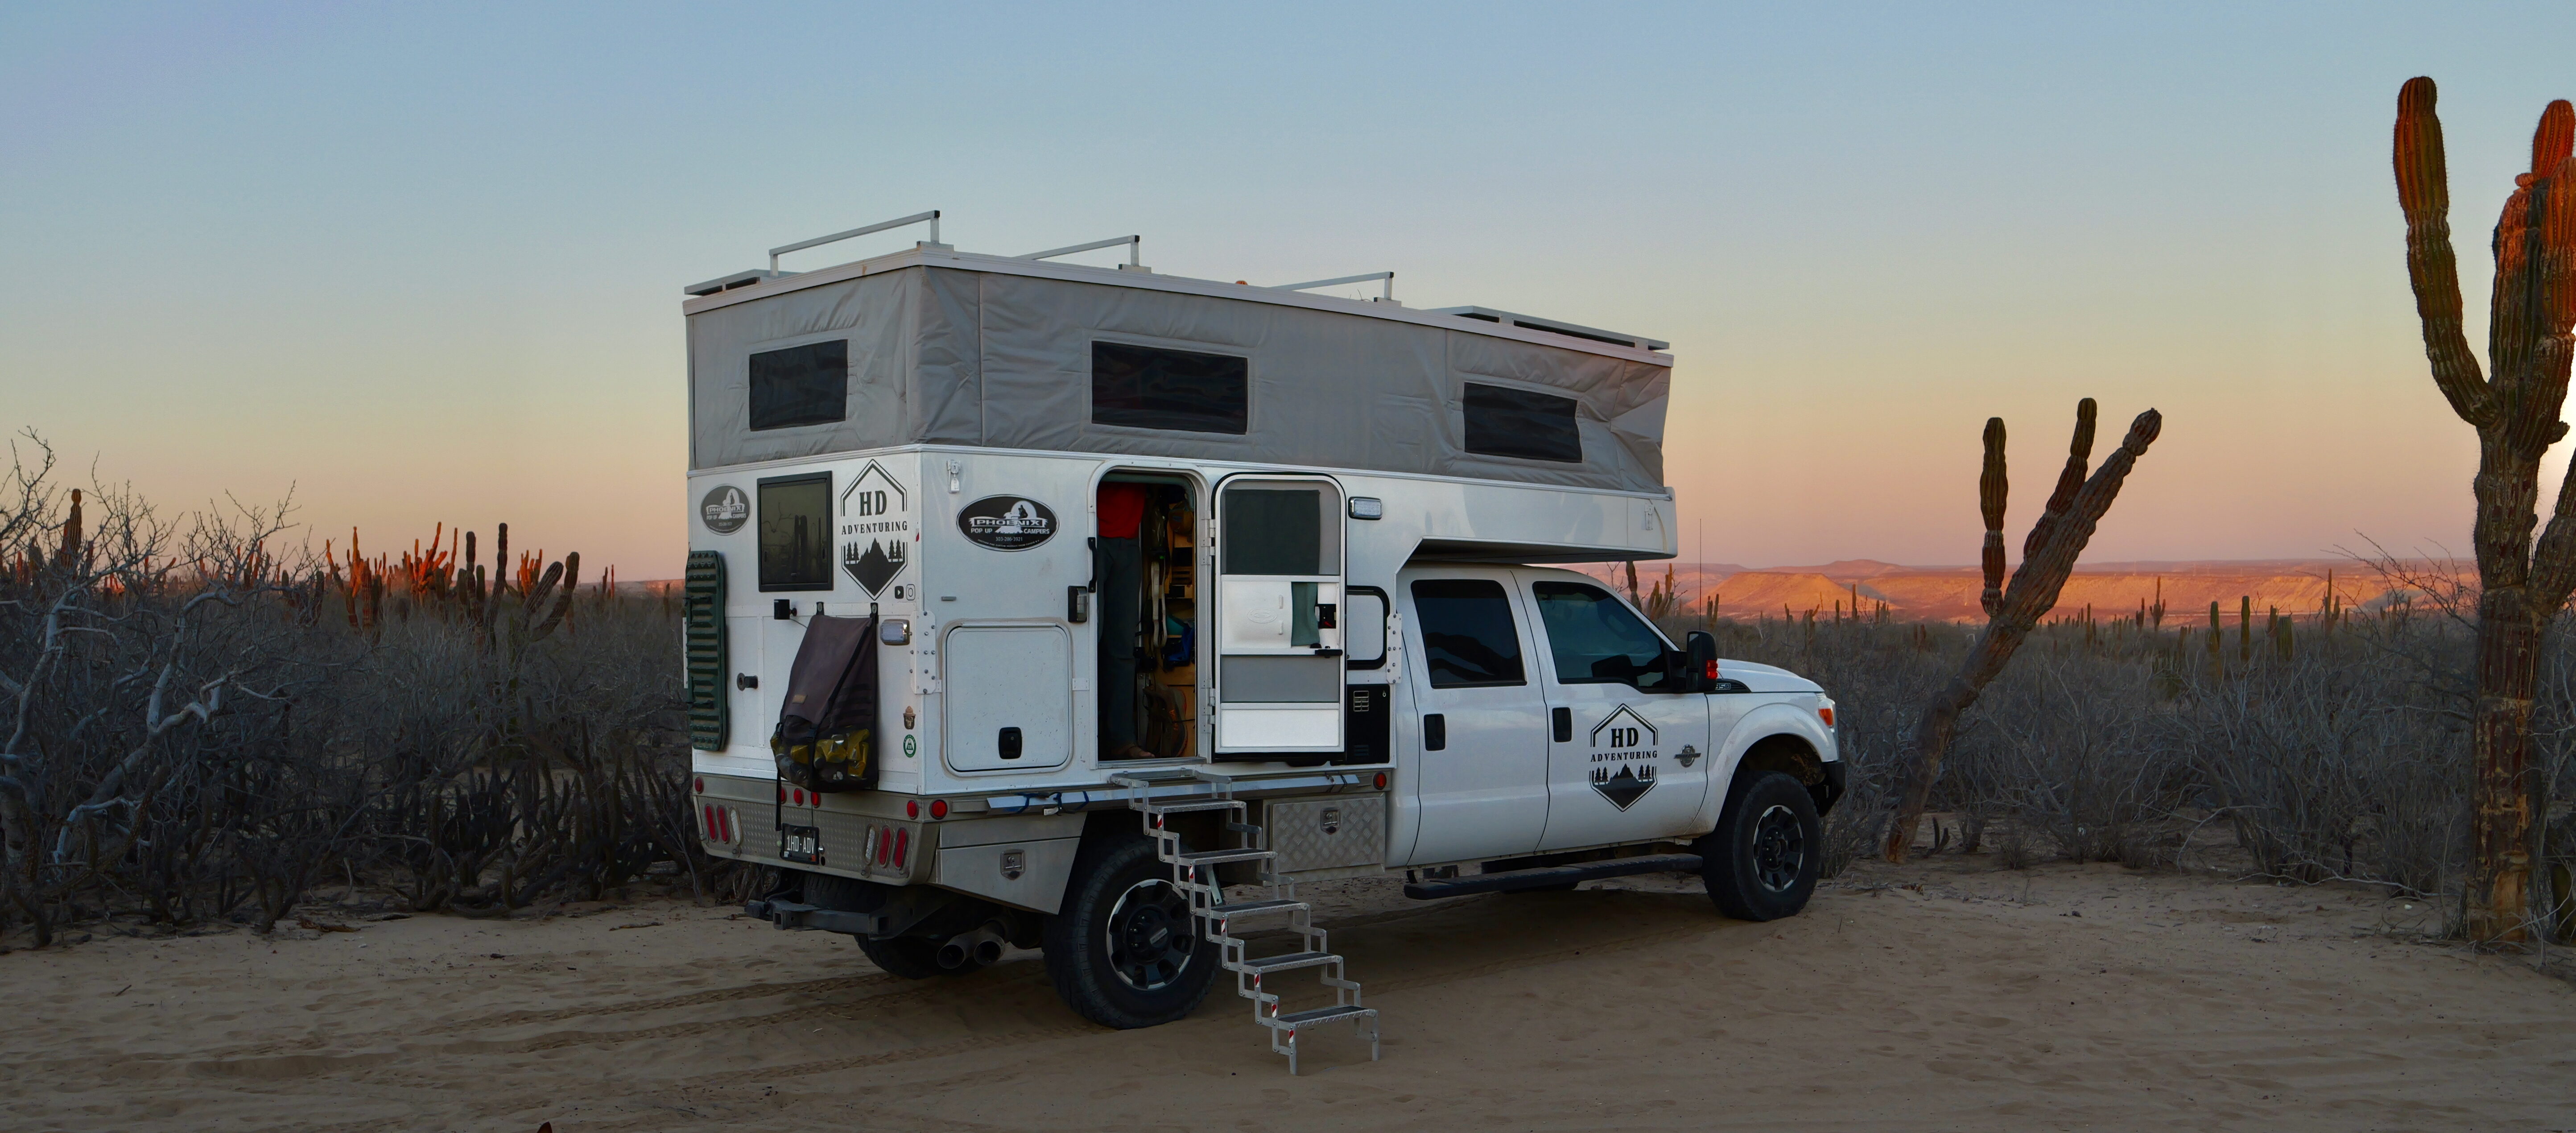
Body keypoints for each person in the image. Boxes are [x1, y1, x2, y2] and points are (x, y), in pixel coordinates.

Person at [1096, 482, 1150, 759]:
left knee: (1120, 649)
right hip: (1086, 533)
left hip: (1129, 541)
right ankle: (1079, 736)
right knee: (1086, 642)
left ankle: (1120, 741)